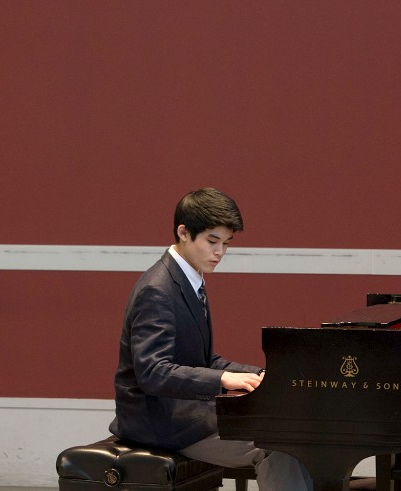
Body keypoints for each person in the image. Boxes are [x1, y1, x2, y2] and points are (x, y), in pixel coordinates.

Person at [110, 187, 312, 490]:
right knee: (278, 445)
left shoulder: (188, 279)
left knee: (292, 432)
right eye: (212, 241)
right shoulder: (157, 289)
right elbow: (152, 373)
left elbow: (200, 361)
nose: (220, 252)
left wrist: (254, 374)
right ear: (183, 232)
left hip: (185, 412)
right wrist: (223, 380)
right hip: (160, 421)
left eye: (226, 243)